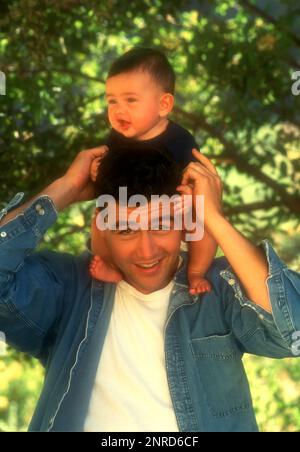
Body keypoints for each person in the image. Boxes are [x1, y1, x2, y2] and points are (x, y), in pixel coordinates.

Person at [0, 145, 299, 432]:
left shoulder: (217, 288)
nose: (146, 250)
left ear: (185, 223)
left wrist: (213, 217)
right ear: (102, 229)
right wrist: (66, 186)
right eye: (126, 230)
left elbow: (293, 333)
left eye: (161, 225)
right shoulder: (68, 288)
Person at [89, 47, 217, 295]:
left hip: (170, 211)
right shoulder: (116, 137)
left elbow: (198, 179)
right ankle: (110, 264)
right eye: (112, 101)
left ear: (164, 104)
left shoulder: (180, 140)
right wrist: (97, 169)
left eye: (130, 100)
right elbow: (108, 166)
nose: (118, 110)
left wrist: (186, 200)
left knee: (202, 224)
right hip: (127, 210)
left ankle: (196, 271)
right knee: (100, 220)